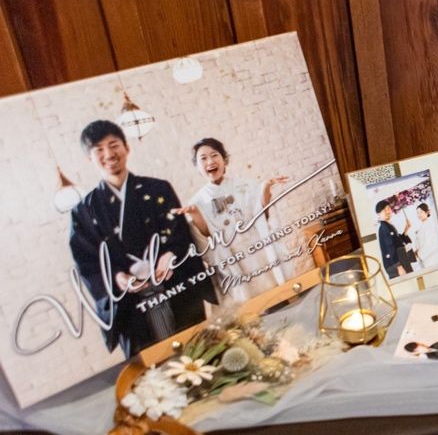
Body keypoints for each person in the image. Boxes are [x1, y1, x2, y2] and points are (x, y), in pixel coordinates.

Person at [69, 120, 215, 357]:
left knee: (198, 355)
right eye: (99, 150)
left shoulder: (158, 189)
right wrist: (117, 277)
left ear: (127, 147)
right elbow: (87, 262)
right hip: (131, 305)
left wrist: (171, 254)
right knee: (153, 366)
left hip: (175, 286)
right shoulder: (84, 211)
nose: (109, 154)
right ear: (89, 158)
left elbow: (180, 233)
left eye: (113, 145)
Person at [174, 138, 291, 306]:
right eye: (203, 158)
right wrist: (196, 215)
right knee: (252, 312)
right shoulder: (197, 202)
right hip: (234, 265)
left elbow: (263, 217)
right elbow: (206, 243)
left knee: (280, 301)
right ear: (197, 167)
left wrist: (265, 189)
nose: (210, 161)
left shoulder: (247, 185)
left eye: (215, 155)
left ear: (224, 159)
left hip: (262, 256)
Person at [374, 200, 412, 279]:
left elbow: (397, 241)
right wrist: (399, 266)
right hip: (395, 264)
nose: (388, 211)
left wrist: (406, 229)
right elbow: (390, 247)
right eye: (384, 210)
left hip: (398, 260)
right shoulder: (384, 228)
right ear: (379, 214)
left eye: (388, 209)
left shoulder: (388, 225)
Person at [403, 201, 438, 272]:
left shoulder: (430, 224)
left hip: (431, 257)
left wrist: (418, 254)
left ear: (427, 212)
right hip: (425, 258)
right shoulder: (422, 225)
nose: (419, 215)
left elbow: (429, 243)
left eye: (421, 212)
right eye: (417, 213)